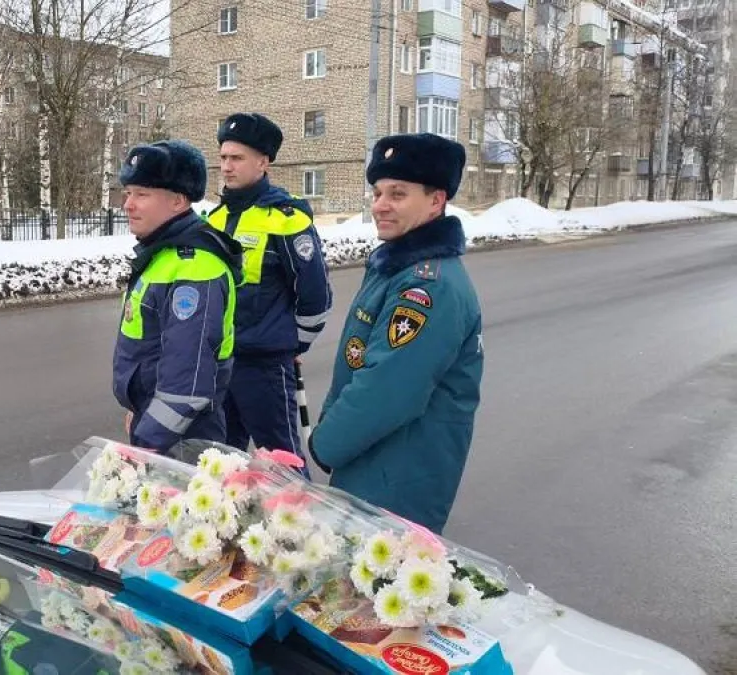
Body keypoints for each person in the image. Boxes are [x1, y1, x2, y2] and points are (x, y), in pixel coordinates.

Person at [308, 132, 484, 535]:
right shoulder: (397, 267)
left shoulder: (428, 285)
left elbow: (387, 390)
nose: (380, 206)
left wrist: (327, 442)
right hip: (374, 459)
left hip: (397, 473)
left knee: (379, 584)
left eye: (398, 194)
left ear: (436, 200)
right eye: (378, 192)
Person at [205, 112, 333, 471]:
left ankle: (299, 526)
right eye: (223, 157)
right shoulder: (215, 219)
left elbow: (316, 297)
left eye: (237, 158)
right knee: (220, 465)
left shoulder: (287, 219)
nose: (227, 167)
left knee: (283, 467)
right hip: (221, 364)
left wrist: (293, 345)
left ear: (263, 162)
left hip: (264, 367)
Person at [113, 139, 244, 454]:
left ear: (178, 201)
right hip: (160, 421)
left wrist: (149, 441)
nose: (127, 204)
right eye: (128, 193)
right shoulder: (163, 253)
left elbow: (188, 380)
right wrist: (138, 409)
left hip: (183, 436)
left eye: (142, 194)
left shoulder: (195, 267)